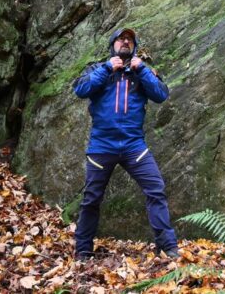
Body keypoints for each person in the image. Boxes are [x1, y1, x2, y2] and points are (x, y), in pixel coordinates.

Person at [72, 27, 179, 261]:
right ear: (113, 44)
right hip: (102, 146)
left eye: (129, 39)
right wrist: (107, 68)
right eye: (121, 39)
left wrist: (142, 70)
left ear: (135, 46)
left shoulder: (142, 72)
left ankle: (168, 248)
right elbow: (80, 89)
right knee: (91, 199)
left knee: (156, 190)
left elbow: (161, 95)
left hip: (134, 146)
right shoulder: (98, 69)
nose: (125, 42)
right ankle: (83, 251)